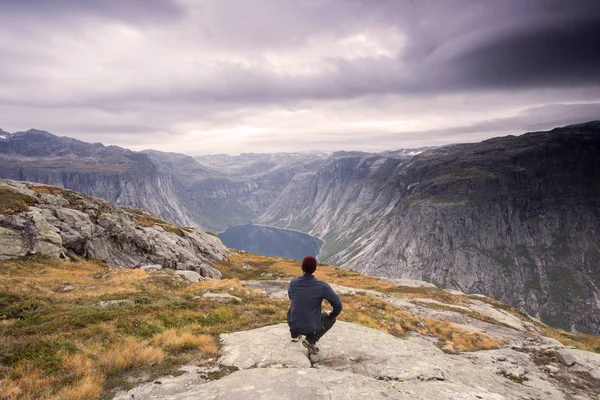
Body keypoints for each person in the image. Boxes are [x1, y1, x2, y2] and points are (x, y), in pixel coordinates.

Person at [287, 255, 342, 354]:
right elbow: (338, 305)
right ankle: (311, 340)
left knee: (297, 308)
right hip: (310, 327)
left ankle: (294, 334)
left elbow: (291, 297)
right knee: (331, 319)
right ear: (315, 269)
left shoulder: (293, 282)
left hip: (293, 322)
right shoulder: (322, 286)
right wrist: (331, 314)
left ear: (302, 267)